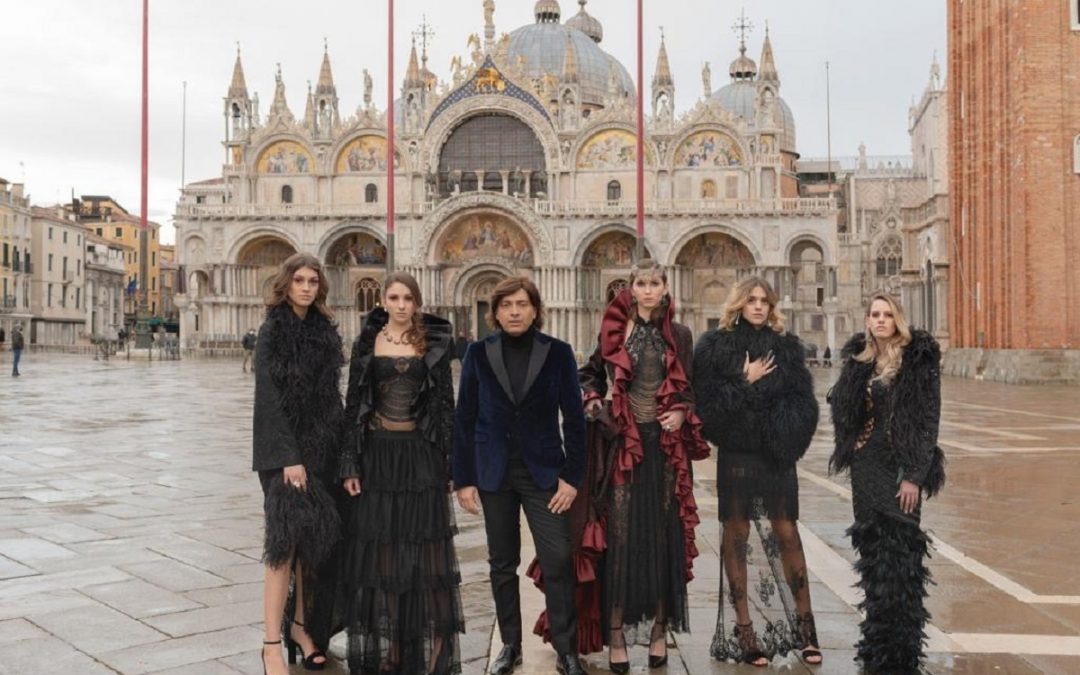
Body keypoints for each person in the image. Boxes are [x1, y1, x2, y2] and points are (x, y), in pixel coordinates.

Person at [576, 260, 710, 671]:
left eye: (655, 283)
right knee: (620, 535)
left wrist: (683, 412)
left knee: (661, 534)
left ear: (665, 287)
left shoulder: (681, 336)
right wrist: (595, 399)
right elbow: (589, 375)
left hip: (665, 449)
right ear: (631, 288)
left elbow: (690, 387)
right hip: (623, 447)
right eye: (641, 283)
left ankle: (657, 630)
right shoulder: (615, 332)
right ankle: (616, 634)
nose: (648, 290)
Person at [453, 277, 587, 675]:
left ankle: (565, 649)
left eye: (522, 304)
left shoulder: (558, 353)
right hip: (493, 472)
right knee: (501, 562)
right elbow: (464, 418)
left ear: (535, 310)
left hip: (544, 472)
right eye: (506, 304)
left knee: (558, 559)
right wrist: (462, 478)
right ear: (494, 312)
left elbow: (575, 420)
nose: (514, 311)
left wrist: (572, 478)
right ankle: (510, 646)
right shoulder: (478, 353)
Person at [693, 277, 822, 667]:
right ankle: (746, 633)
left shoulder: (786, 348)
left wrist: (784, 438)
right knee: (737, 535)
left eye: (765, 300)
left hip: (776, 455)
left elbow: (804, 403)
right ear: (738, 304)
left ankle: (806, 630)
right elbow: (707, 405)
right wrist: (742, 382)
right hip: (737, 454)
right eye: (751, 300)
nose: (759, 306)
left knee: (787, 532)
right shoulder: (715, 348)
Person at [339, 272, 465, 674]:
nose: (400, 305)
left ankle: (437, 652)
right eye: (393, 297)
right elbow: (354, 401)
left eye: (407, 298)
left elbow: (446, 405)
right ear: (383, 300)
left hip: (421, 457)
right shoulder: (367, 341)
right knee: (385, 556)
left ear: (417, 302)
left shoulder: (434, 342)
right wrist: (349, 462)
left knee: (429, 554)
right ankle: (394, 650)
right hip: (378, 457)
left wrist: (450, 463)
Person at [828, 293, 945, 674]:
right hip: (866, 470)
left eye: (887, 314)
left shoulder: (917, 360)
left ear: (898, 319)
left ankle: (902, 657)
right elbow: (845, 410)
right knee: (875, 559)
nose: (881, 320)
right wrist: (853, 442)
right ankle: (877, 652)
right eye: (875, 314)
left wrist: (913, 475)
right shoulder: (860, 361)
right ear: (867, 320)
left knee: (903, 560)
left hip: (898, 470)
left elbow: (928, 421)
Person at [254, 252, 344, 675]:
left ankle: (303, 629)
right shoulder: (273, 329)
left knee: (314, 545)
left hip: (321, 448)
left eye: (313, 281)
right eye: (300, 280)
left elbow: (332, 395)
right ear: (286, 283)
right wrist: (290, 457)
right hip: (283, 454)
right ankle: (272, 643)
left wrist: (341, 453)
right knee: (284, 545)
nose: (307, 287)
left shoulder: (325, 332)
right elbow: (268, 397)